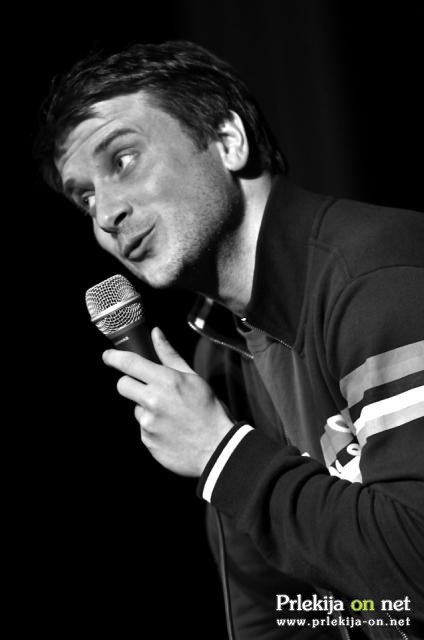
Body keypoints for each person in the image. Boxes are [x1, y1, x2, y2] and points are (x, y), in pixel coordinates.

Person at [35, 40, 424, 639]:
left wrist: (222, 454)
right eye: (84, 197)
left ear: (227, 139)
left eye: (124, 159)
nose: (106, 213)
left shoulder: (375, 277)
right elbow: (280, 611)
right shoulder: (216, 350)